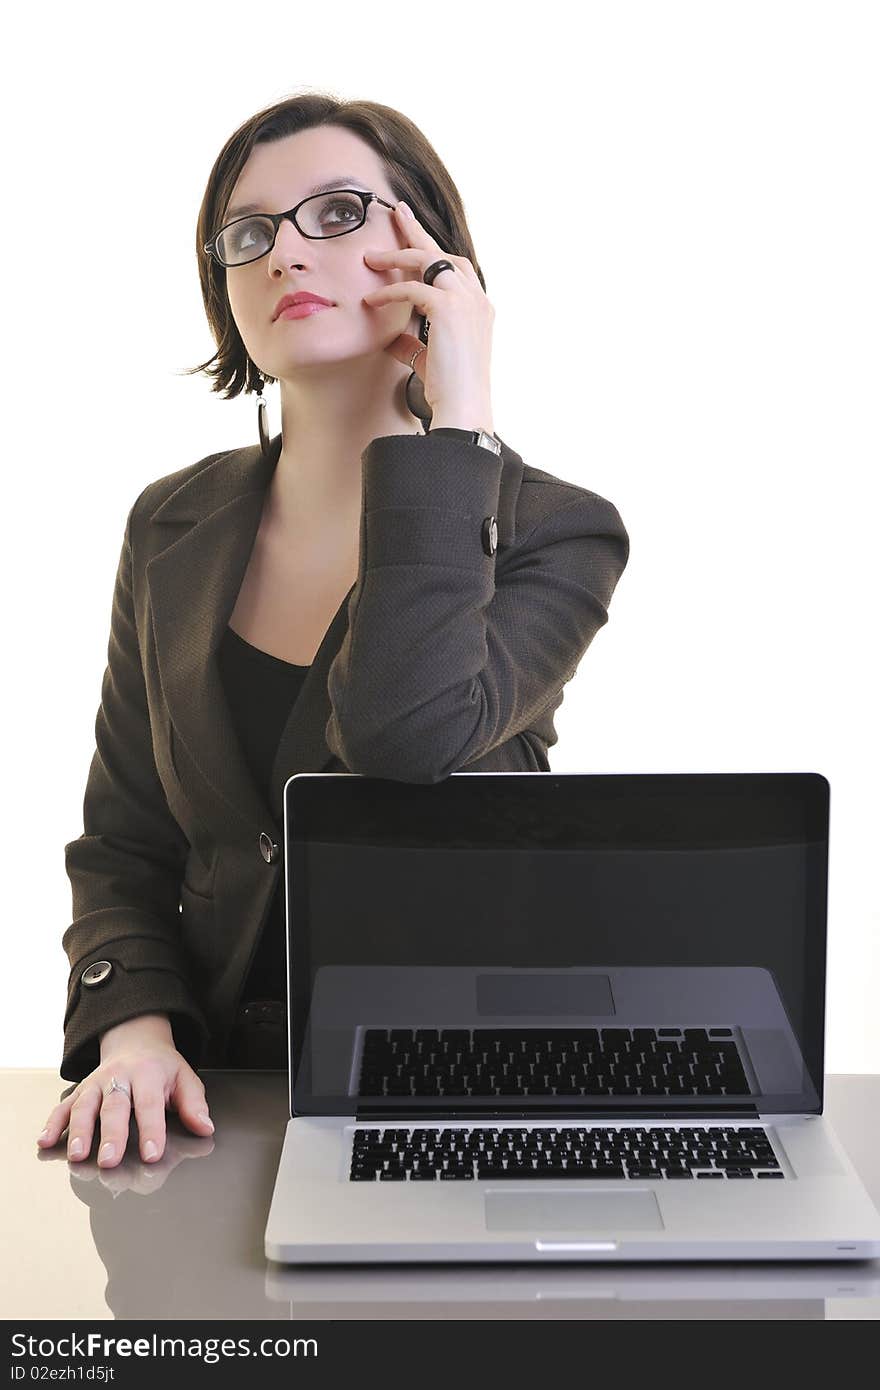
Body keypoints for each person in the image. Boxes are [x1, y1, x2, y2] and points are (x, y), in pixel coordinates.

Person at [37, 92, 630, 1170]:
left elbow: (401, 735)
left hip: (468, 1102)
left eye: (340, 212)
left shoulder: (555, 532)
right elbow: (125, 843)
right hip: (210, 1110)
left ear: (431, 256)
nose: (284, 254)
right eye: (248, 231)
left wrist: (461, 419)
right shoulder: (169, 523)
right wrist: (134, 1030)